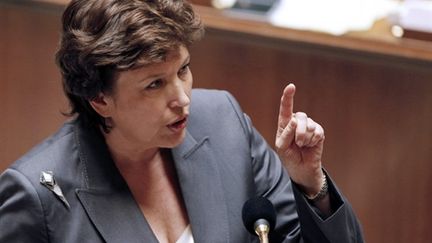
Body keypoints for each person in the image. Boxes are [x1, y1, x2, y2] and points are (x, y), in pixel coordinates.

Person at [0, 0, 364, 242]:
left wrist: (310, 185)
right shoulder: (38, 194)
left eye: (184, 70)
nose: (183, 97)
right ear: (99, 99)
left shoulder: (223, 122)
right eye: (155, 84)